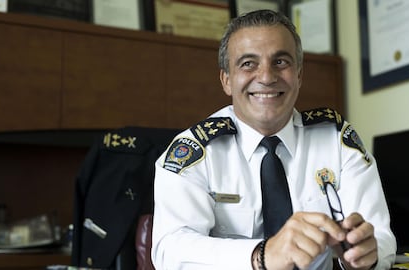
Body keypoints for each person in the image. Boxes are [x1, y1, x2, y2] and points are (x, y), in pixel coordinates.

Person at [151, 9, 396, 270]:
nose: (267, 77)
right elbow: (170, 250)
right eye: (248, 63)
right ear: (227, 80)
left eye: (281, 62)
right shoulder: (195, 151)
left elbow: (380, 235)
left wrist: (367, 255)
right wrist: (262, 256)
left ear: (299, 76)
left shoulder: (336, 140)